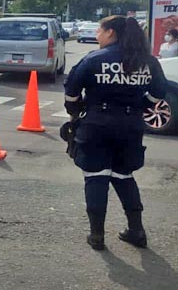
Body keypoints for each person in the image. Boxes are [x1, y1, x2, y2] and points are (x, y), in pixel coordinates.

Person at [64, 15, 167, 251]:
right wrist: (142, 106)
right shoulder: (148, 61)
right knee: (123, 176)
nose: (97, 34)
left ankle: (97, 235)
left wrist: (76, 113)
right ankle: (136, 230)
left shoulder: (94, 59)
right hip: (131, 126)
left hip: (96, 126)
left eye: (99, 30)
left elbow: (71, 91)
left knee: (95, 177)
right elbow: (159, 93)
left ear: (110, 32)